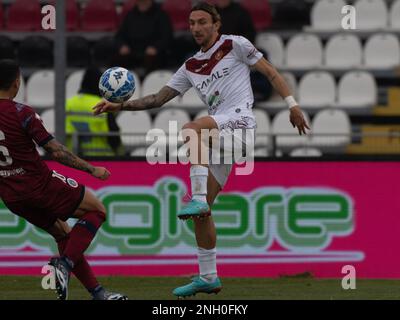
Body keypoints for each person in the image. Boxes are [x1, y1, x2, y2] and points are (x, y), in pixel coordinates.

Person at [93, 2, 309, 298]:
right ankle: (208, 277)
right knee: (201, 215)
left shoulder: (236, 45)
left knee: (191, 129)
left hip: (241, 122)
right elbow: (157, 98)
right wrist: (120, 105)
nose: (196, 28)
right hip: (222, 137)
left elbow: (271, 73)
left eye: (202, 22)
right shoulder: (190, 66)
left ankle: (197, 199)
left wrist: (292, 106)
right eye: (192, 23)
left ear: (216, 24)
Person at [0, 59, 127, 301]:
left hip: (11, 195)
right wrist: (92, 170)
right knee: (97, 210)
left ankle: (98, 294)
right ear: (17, 82)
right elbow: (56, 151)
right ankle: (65, 264)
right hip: (40, 184)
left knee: (64, 235)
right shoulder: (21, 112)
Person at [66, 67, 125, 157]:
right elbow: (115, 138)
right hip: (102, 160)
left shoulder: (67, 104)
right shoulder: (103, 105)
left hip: (73, 159)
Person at [115, 0, 173, 73]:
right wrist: (122, 45)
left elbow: (167, 36)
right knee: (117, 57)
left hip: (153, 52)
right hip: (132, 51)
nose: (142, 3)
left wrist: (156, 47)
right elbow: (119, 36)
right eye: (140, 1)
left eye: (144, 1)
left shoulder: (161, 15)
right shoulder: (130, 15)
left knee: (154, 58)